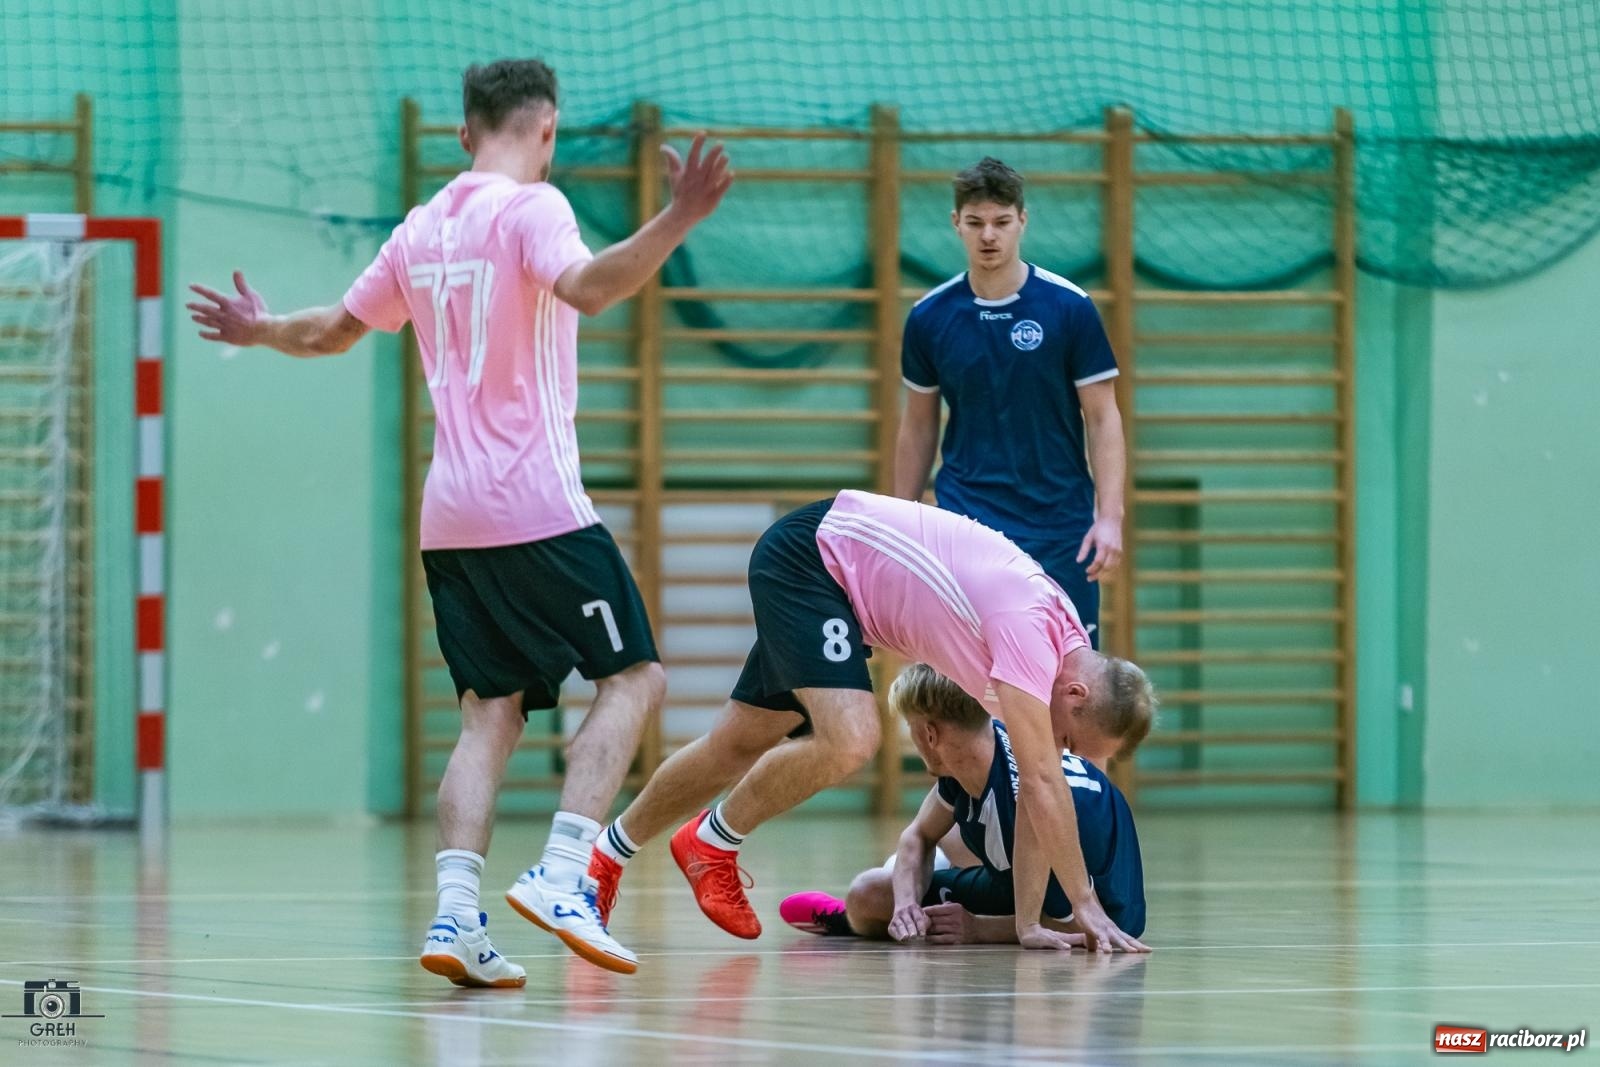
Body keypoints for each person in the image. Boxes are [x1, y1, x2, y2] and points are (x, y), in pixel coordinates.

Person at [187, 57, 732, 983]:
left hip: (453, 519)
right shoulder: (533, 211)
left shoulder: (421, 227)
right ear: (547, 131)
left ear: (461, 131)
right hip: (539, 505)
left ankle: (455, 920)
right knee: (634, 677)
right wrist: (677, 217)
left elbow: (331, 332)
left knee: (491, 714)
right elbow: (591, 290)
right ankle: (565, 870)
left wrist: (261, 326)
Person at [587, 489, 1154, 954]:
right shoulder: (1031, 633)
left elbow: (1038, 795)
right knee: (852, 738)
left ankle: (603, 858)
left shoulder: (1065, 642)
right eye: (1072, 738)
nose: (1065, 748)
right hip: (817, 561)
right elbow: (1044, 782)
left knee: (734, 743)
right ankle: (711, 841)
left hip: (838, 587)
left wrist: (1029, 924)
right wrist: (1083, 905)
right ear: (1075, 695)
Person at [894, 157, 1127, 646]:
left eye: (1001, 222)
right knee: (967, 672)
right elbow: (918, 425)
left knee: (1070, 675)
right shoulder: (929, 317)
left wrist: (1109, 518)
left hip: (1060, 521)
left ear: (1023, 220)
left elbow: (1103, 418)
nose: (988, 236)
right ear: (956, 223)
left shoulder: (1069, 308)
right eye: (975, 223)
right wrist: (901, 520)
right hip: (968, 516)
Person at [778, 663, 1145, 945]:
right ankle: (863, 914)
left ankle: (848, 923)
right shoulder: (978, 754)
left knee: (886, 887)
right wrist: (905, 903)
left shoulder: (1027, 796)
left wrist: (978, 928)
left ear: (928, 733)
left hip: (1100, 914)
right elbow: (918, 836)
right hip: (1010, 880)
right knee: (873, 892)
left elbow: (1079, 921)